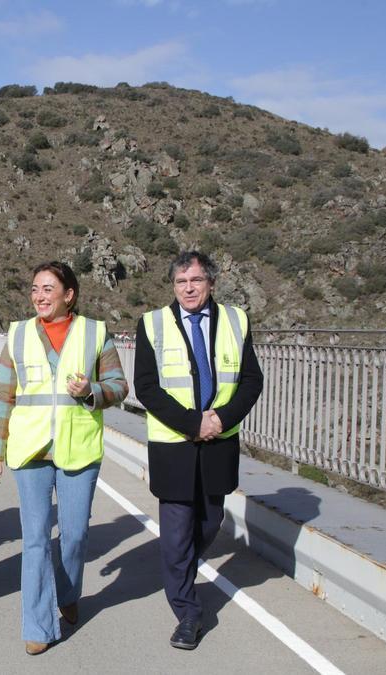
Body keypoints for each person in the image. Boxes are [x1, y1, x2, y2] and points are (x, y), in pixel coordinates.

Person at [0, 261, 129, 655]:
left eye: (48, 289)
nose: (39, 296)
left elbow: (119, 386)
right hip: (29, 449)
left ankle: (67, 592)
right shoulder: (18, 335)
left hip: (78, 447)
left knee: (75, 535)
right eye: (35, 289)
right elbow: (2, 396)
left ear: (69, 295)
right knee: (35, 540)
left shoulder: (94, 333)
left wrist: (91, 390)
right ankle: (38, 627)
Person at [130, 251, 262, 650]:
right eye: (181, 282)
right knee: (176, 536)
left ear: (211, 283)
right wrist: (193, 423)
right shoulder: (152, 324)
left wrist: (220, 419)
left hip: (219, 444)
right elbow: (146, 386)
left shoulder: (236, 321)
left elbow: (252, 379)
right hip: (174, 446)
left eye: (196, 281)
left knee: (209, 524)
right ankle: (188, 612)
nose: (188, 289)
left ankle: (180, 572)